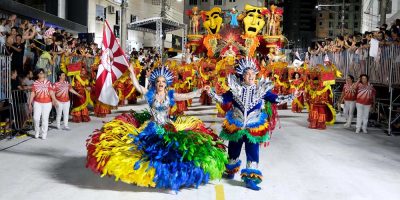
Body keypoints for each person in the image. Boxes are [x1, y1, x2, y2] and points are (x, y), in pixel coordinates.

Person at [86, 65, 227, 191]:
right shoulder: (150, 94)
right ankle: (148, 173)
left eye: (163, 81)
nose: (160, 83)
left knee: (170, 150)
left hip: (167, 125)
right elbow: (137, 86)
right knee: (146, 150)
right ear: (155, 83)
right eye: (158, 81)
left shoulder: (170, 95)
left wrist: (201, 90)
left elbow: (187, 95)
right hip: (152, 125)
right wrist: (131, 73)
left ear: (167, 83)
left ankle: (166, 174)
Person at [206, 58, 278, 191]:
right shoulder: (235, 89)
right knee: (233, 149)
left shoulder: (260, 90)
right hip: (237, 125)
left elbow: (276, 99)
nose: (250, 76)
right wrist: (210, 92)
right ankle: (230, 171)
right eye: (247, 73)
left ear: (256, 75)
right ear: (242, 76)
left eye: (252, 73)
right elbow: (222, 99)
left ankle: (250, 179)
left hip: (253, 127)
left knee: (252, 152)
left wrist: (293, 96)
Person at [28, 69, 58, 139]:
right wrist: (30, 103)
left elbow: (51, 92)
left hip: (47, 103)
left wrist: (54, 99)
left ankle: (44, 133)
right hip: (37, 102)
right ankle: (37, 131)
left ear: (44, 74)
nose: (41, 74)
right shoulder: (35, 83)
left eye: (42, 73)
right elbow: (33, 93)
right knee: (36, 118)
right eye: (39, 73)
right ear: (37, 74)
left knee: (45, 119)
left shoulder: (48, 83)